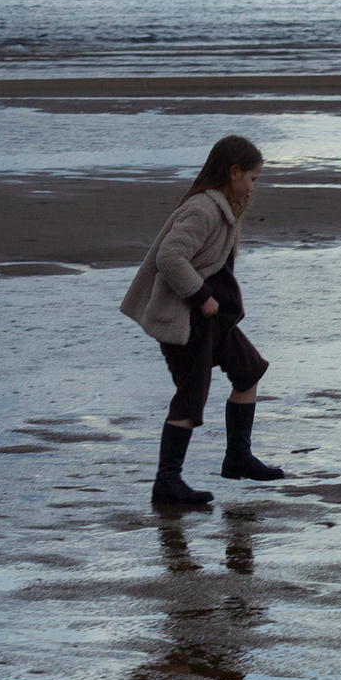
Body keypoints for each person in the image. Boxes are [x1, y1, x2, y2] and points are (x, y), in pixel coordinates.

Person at [121, 135, 290, 506]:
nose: (254, 186)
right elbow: (170, 257)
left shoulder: (223, 207)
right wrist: (201, 296)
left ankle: (238, 457)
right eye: (253, 178)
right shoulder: (203, 209)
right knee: (190, 397)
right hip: (188, 319)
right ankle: (167, 482)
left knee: (249, 371)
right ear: (233, 173)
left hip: (214, 321)